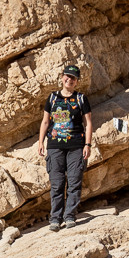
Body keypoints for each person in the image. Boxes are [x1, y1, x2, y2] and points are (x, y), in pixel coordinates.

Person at [37, 64, 93, 231]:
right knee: (57, 183)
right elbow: (46, 121)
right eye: (67, 76)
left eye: (73, 78)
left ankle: (69, 216)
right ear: (62, 78)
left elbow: (88, 123)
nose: (69, 79)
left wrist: (88, 144)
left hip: (76, 146)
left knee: (75, 181)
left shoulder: (81, 99)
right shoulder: (53, 98)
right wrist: (41, 142)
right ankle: (55, 218)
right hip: (55, 146)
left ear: (76, 82)